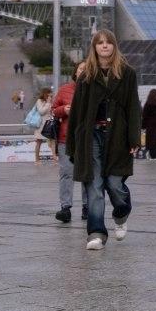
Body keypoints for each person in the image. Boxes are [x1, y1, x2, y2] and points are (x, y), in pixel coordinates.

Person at [67, 29, 141, 251]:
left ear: (114, 46)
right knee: (95, 186)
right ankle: (96, 233)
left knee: (115, 185)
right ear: (95, 47)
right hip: (91, 137)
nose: (105, 46)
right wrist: (72, 145)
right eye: (100, 43)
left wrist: (134, 139)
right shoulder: (86, 75)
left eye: (109, 42)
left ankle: (121, 213)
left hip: (117, 136)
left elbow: (133, 107)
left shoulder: (127, 73)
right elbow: (77, 113)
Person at [52, 62, 88, 223]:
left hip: (88, 138)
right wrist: (63, 110)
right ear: (75, 72)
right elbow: (54, 110)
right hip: (65, 138)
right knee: (66, 173)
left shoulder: (95, 89)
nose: (84, 71)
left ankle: (88, 207)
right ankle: (65, 208)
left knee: (88, 174)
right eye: (81, 68)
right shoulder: (64, 89)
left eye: (88, 69)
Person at [33, 87, 53, 162]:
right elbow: (41, 112)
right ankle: (37, 160)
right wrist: (48, 103)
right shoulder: (39, 101)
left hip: (49, 124)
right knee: (39, 142)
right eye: (49, 94)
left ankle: (54, 157)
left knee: (52, 141)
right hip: (41, 125)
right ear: (45, 94)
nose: (51, 96)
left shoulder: (50, 101)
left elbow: (51, 111)